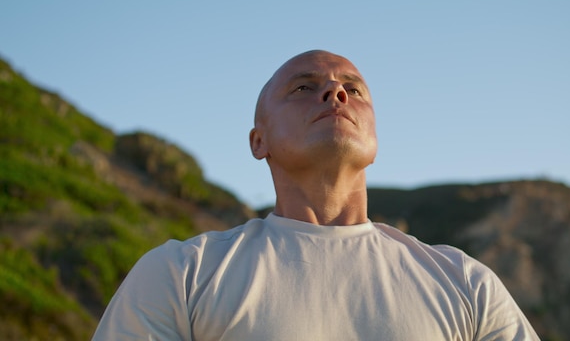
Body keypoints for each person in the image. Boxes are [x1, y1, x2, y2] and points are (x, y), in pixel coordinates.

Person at [92, 50, 539, 340]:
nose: (336, 92)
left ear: (375, 136)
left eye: (354, 89)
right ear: (258, 141)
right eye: (304, 87)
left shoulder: (467, 284)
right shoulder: (180, 275)